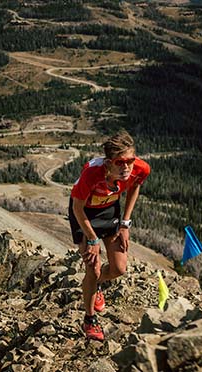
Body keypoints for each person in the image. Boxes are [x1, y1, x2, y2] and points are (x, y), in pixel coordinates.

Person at [68, 131, 150, 341]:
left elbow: (135, 187)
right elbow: (77, 207)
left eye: (130, 161)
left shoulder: (140, 168)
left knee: (119, 268)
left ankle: (94, 285)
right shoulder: (92, 175)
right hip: (85, 214)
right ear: (108, 163)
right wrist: (92, 239)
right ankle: (89, 319)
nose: (126, 167)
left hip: (109, 210)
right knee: (93, 269)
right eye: (119, 162)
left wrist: (125, 223)